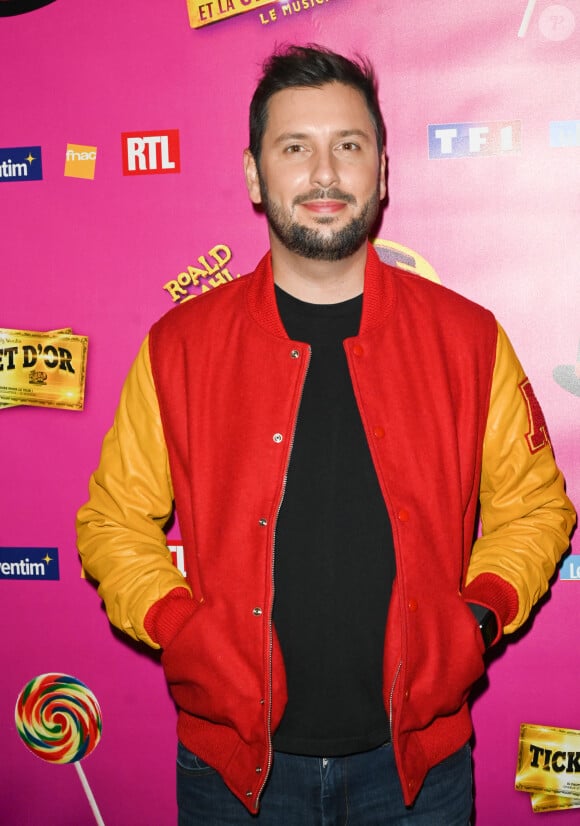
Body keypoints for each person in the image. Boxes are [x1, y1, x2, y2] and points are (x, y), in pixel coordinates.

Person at [76, 45, 576, 825]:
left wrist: (477, 615)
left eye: (349, 145)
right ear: (253, 174)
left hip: (419, 771)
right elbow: (112, 521)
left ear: (382, 172)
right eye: (294, 147)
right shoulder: (180, 346)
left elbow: (536, 508)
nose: (324, 174)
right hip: (232, 772)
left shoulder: (468, 338)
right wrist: (179, 628)